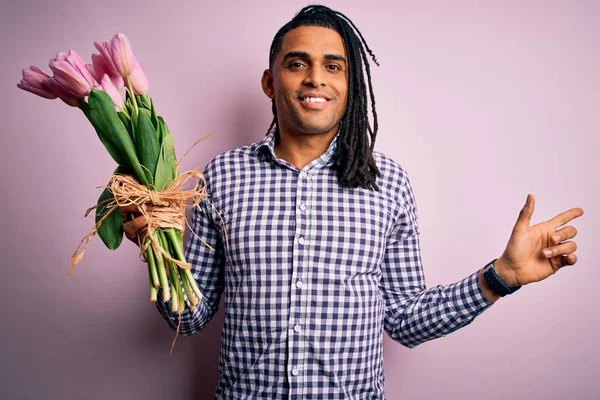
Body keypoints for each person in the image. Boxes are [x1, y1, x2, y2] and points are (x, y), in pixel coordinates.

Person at [120, 5, 583, 399]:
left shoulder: (389, 183)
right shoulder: (219, 176)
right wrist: (157, 247)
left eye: (333, 65)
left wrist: (502, 276)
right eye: (297, 63)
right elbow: (193, 318)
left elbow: (404, 319)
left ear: (349, 83)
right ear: (270, 80)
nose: (315, 78)